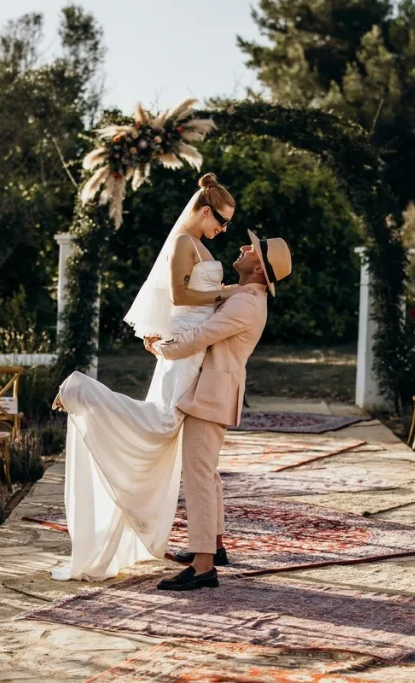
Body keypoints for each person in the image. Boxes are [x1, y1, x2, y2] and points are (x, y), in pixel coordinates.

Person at [49, 173, 240, 581]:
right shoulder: (182, 243)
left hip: (195, 345)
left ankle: (206, 542)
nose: (224, 229)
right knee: (162, 420)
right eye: (221, 220)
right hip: (184, 343)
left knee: (165, 424)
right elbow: (181, 296)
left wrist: (222, 296)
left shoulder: (201, 246)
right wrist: (225, 293)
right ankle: (80, 389)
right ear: (204, 210)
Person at [147, 230, 292, 591]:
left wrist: (162, 347)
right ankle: (214, 546)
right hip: (214, 390)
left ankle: (203, 567)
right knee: (205, 473)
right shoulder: (243, 295)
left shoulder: (247, 304)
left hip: (213, 394)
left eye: (252, 249)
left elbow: (202, 336)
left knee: (197, 475)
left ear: (258, 269)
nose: (243, 247)